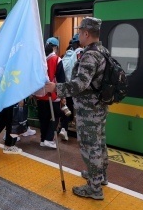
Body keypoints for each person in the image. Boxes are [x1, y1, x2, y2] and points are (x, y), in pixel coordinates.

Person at [45, 17, 109, 200]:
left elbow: (80, 84)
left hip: (89, 110)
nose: (79, 35)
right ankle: (100, 176)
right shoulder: (102, 50)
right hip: (99, 107)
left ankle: (94, 188)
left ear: (86, 33)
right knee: (99, 143)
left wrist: (56, 88)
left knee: (91, 147)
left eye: (80, 32)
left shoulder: (90, 55)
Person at [36, 37, 65, 149]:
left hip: (40, 94)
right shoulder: (56, 59)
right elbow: (61, 79)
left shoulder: (40, 59)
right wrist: (62, 96)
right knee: (56, 115)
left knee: (43, 118)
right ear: (55, 47)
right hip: (52, 95)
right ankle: (49, 138)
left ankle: (43, 139)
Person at [59, 33, 83, 141]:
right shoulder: (80, 53)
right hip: (75, 86)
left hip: (66, 86)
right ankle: (81, 132)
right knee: (77, 108)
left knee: (67, 107)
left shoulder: (67, 54)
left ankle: (64, 128)